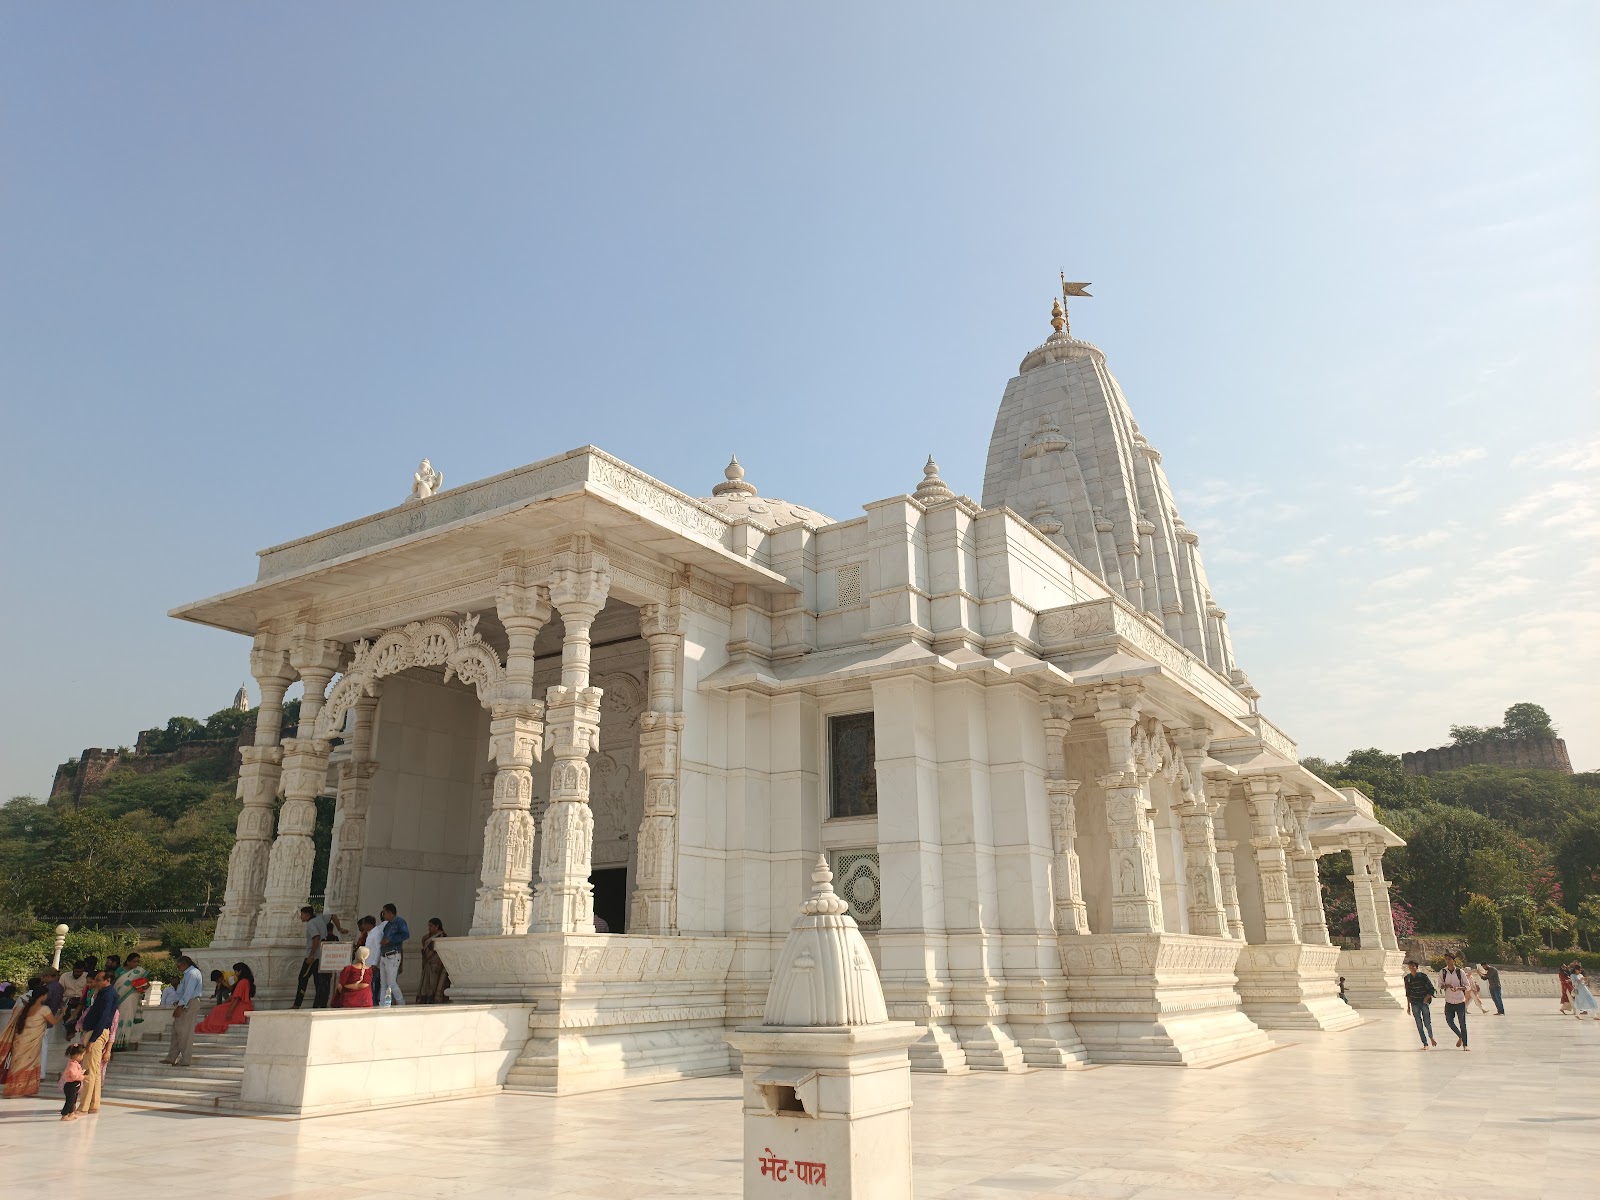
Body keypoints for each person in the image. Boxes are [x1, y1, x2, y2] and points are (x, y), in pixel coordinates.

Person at [1, 982, 61, 1097]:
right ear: (43, 995)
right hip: (31, 1042)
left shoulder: (25, 1007)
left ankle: (13, 1089)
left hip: (19, 1041)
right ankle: (22, 1089)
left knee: (17, 1065)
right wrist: (62, 1014)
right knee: (28, 1064)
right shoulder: (44, 1009)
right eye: (46, 995)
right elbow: (53, 1022)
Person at [77, 970, 119, 1114]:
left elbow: (104, 1017)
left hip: (97, 1032)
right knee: (94, 1071)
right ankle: (93, 1104)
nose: (95, 982)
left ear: (107, 980)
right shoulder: (104, 993)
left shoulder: (108, 995)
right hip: (96, 1031)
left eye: (98, 980)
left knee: (89, 1071)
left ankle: (83, 1107)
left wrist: (93, 1039)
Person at [162, 956, 206, 1068]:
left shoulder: (192, 973)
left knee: (185, 1033)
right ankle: (171, 1057)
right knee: (176, 1031)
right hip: (185, 1003)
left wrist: (180, 1006)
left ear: (184, 964)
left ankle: (185, 1060)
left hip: (189, 1004)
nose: (178, 969)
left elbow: (189, 992)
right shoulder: (188, 974)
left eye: (179, 966)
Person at [296, 906, 342, 1009]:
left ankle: (297, 1003)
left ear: (307, 915)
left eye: (302, 914)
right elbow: (333, 916)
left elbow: (316, 937)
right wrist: (339, 928)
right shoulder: (320, 918)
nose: (301, 917)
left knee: (302, 978)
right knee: (319, 981)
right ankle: (320, 1004)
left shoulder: (311, 924)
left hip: (313, 956)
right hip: (322, 956)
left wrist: (311, 954)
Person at [197, 963, 254, 1033]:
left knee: (217, 1009)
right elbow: (233, 995)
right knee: (218, 1008)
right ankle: (209, 1021)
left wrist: (230, 1012)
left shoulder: (242, 982)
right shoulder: (244, 981)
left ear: (240, 971)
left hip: (240, 1006)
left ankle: (209, 1024)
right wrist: (224, 1004)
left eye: (236, 971)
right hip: (241, 1005)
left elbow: (237, 998)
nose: (235, 974)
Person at [111, 953, 150, 1051]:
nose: (136, 963)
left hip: (132, 997)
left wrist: (141, 986)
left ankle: (124, 1043)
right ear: (128, 961)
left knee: (127, 1019)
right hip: (120, 998)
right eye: (134, 961)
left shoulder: (139, 972)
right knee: (118, 1019)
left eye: (138, 961)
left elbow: (147, 984)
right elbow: (114, 984)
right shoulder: (119, 971)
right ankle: (114, 1043)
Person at [376, 904, 409, 1007]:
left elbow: (405, 935)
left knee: (391, 982)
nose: (383, 915)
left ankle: (401, 1002)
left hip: (393, 955)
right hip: (384, 955)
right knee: (384, 983)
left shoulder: (399, 922)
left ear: (390, 913)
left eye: (384, 913)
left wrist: (391, 939)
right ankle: (384, 1004)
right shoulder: (387, 924)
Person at [1403, 960, 1437, 1050]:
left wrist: (1426, 998)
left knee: (1427, 1022)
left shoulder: (1422, 976)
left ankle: (1431, 1037)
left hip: (1423, 1002)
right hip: (1414, 1002)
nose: (1411, 968)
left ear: (1416, 967)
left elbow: (1431, 989)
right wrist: (1408, 1006)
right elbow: (1408, 992)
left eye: (1413, 966)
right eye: (1410, 966)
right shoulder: (1407, 978)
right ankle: (1425, 1043)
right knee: (1419, 1024)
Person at [1440, 953, 1471, 1050]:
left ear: (1454, 960)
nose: (1447, 961)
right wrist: (1447, 986)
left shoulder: (1460, 972)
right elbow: (1440, 985)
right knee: (1449, 1021)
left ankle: (1465, 1045)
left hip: (1460, 1001)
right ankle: (1460, 1036)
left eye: (1449, 959)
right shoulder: (1443, 972)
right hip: (1449, 1001)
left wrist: (1458, 988)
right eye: (1446, 959)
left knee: (1462, 1023)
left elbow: (1467, 986)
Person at [417, 917, 451, 1004]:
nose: (429, 928)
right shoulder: (427, 936)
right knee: (426, 983)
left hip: (436, 963)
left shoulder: (442, 936)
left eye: (431, 926)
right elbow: (424, 945)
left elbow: (441, 950)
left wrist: (439, 963)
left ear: (437, 926)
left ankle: (433, 1000)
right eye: (428, 926)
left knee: (433, 983)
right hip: (428, 963)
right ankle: (425, 1000)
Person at [58, 1043, 86, 1121]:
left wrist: (82, 1072)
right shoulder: (72, 1065)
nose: (82, 1057)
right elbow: (74, 1076)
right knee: (69, 1101)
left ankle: (71, 1113)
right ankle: (64, 1114)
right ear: (77, 1055)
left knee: (73, 1100)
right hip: (71, 1085)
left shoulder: (75, 1064)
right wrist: (83, 1077)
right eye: (82, 1055)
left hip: (75, 1085)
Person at [60, 961, 91, 1029]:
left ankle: (76, 1028)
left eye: (80, 972)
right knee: (65, 1011)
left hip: (81, 999)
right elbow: (60, 990)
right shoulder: (65, 976)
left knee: (81, 1011)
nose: (78, 974)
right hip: (68, 999)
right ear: (73, 969)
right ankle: (69, 1028)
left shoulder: (87, 976)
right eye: (76, 971)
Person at [361, 915, 384, 1004]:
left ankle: (373, 1004)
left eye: (364, 924)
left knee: (373, 987)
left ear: (368, 924)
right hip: (368, 964)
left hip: (373, 965)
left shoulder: (377, 933)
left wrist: (374, 963)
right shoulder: (370, 933)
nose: (363, 927)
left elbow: (379, 948)